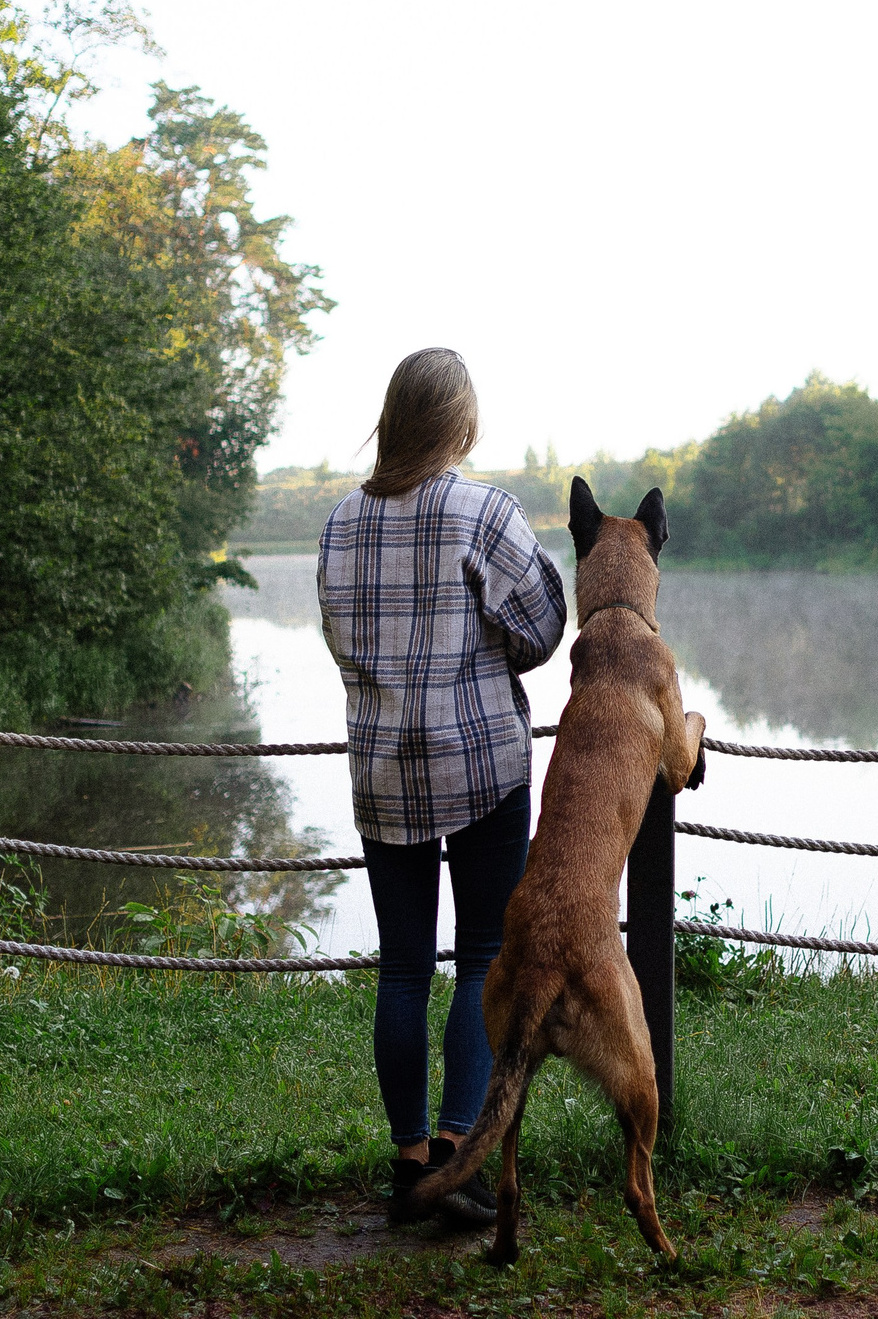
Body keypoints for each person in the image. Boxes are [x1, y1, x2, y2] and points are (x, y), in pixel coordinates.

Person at [318, 347, 567, 1228]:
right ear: (460, 423)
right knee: (484, 961)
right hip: (480, 766)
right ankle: (458, 1161)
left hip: (383, 772)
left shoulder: (340, 522)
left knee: (402, 967)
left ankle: (408, 1161)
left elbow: (340, 642)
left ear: (393, 418)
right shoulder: (484, 511)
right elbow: (541, 631)